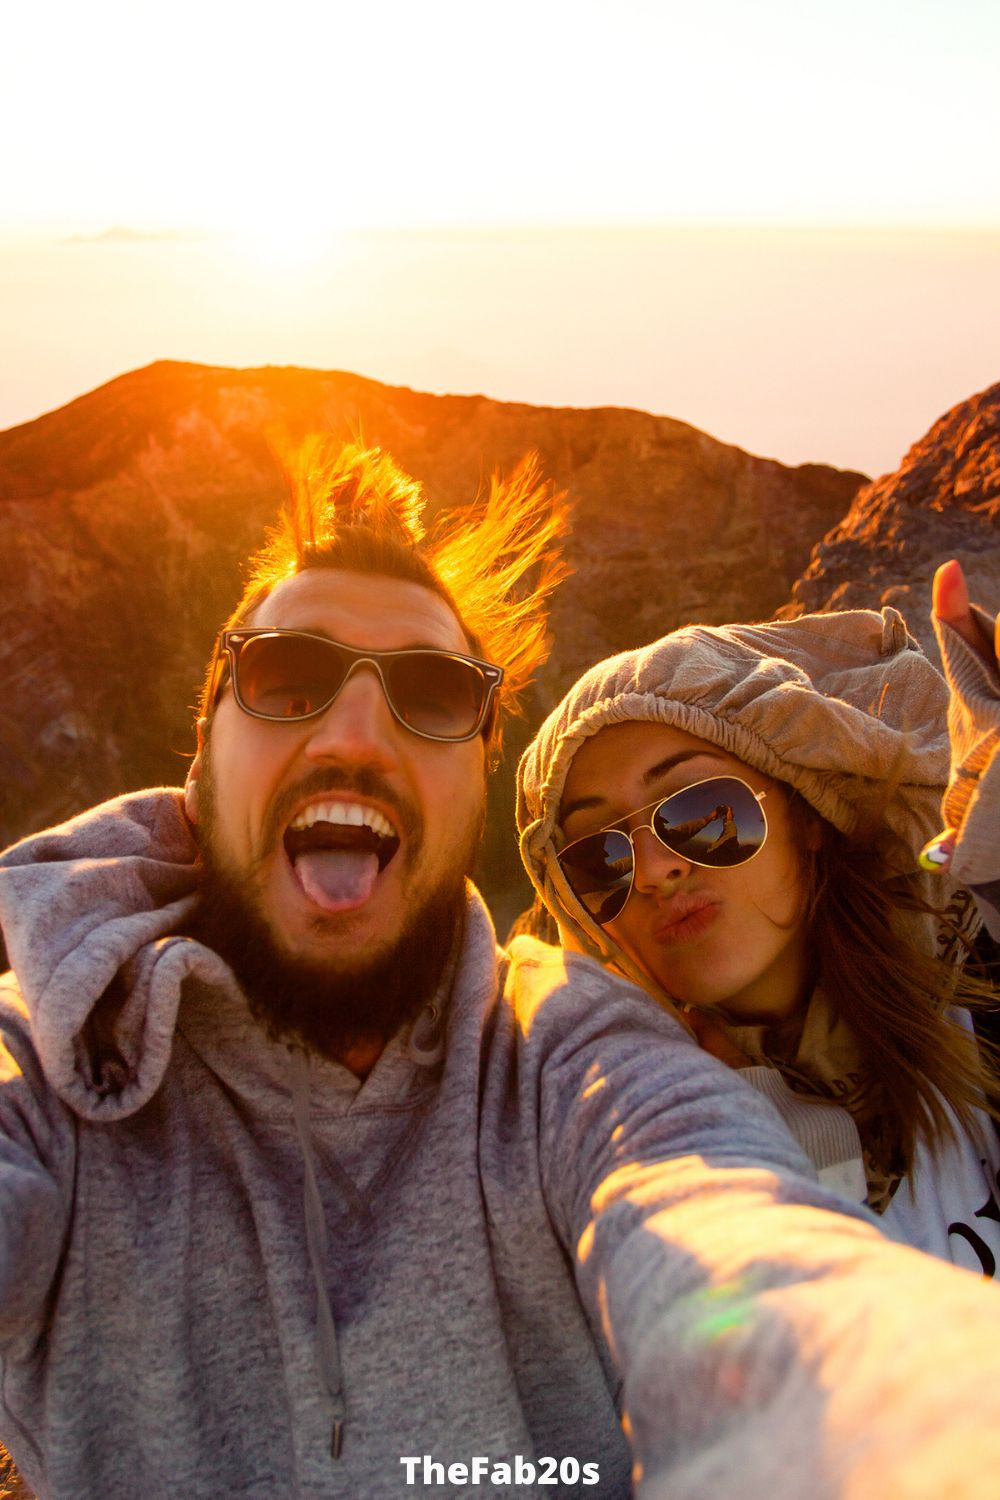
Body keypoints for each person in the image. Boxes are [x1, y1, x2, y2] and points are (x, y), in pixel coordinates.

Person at [6, 448, 1000, 1500]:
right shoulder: (52, 1072)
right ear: (201, 749)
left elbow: (735, 1243)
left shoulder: (568, 1060)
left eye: (430, 695)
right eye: (286, 678)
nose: (354, 733)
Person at [517, 599, 1000, 1275]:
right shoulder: (624, 1145)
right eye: (602, 859)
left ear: (806, 814)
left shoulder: (975, 998)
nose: (656, 870)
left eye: (703, 813)